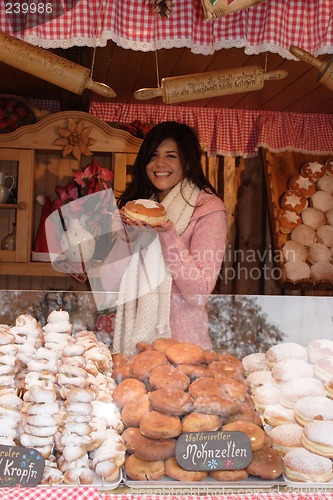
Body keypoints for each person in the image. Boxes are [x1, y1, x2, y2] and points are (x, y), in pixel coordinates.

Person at [100, 121, 227, 353]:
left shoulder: (208, 210)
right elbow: (109, 287)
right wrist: (125, 238)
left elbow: (198, 293)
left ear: (187, 163)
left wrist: (167, 234)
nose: (160, 164)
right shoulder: (137, 207)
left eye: (171, 156)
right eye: (153, 156)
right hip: (136, 349)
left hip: (185, 347)